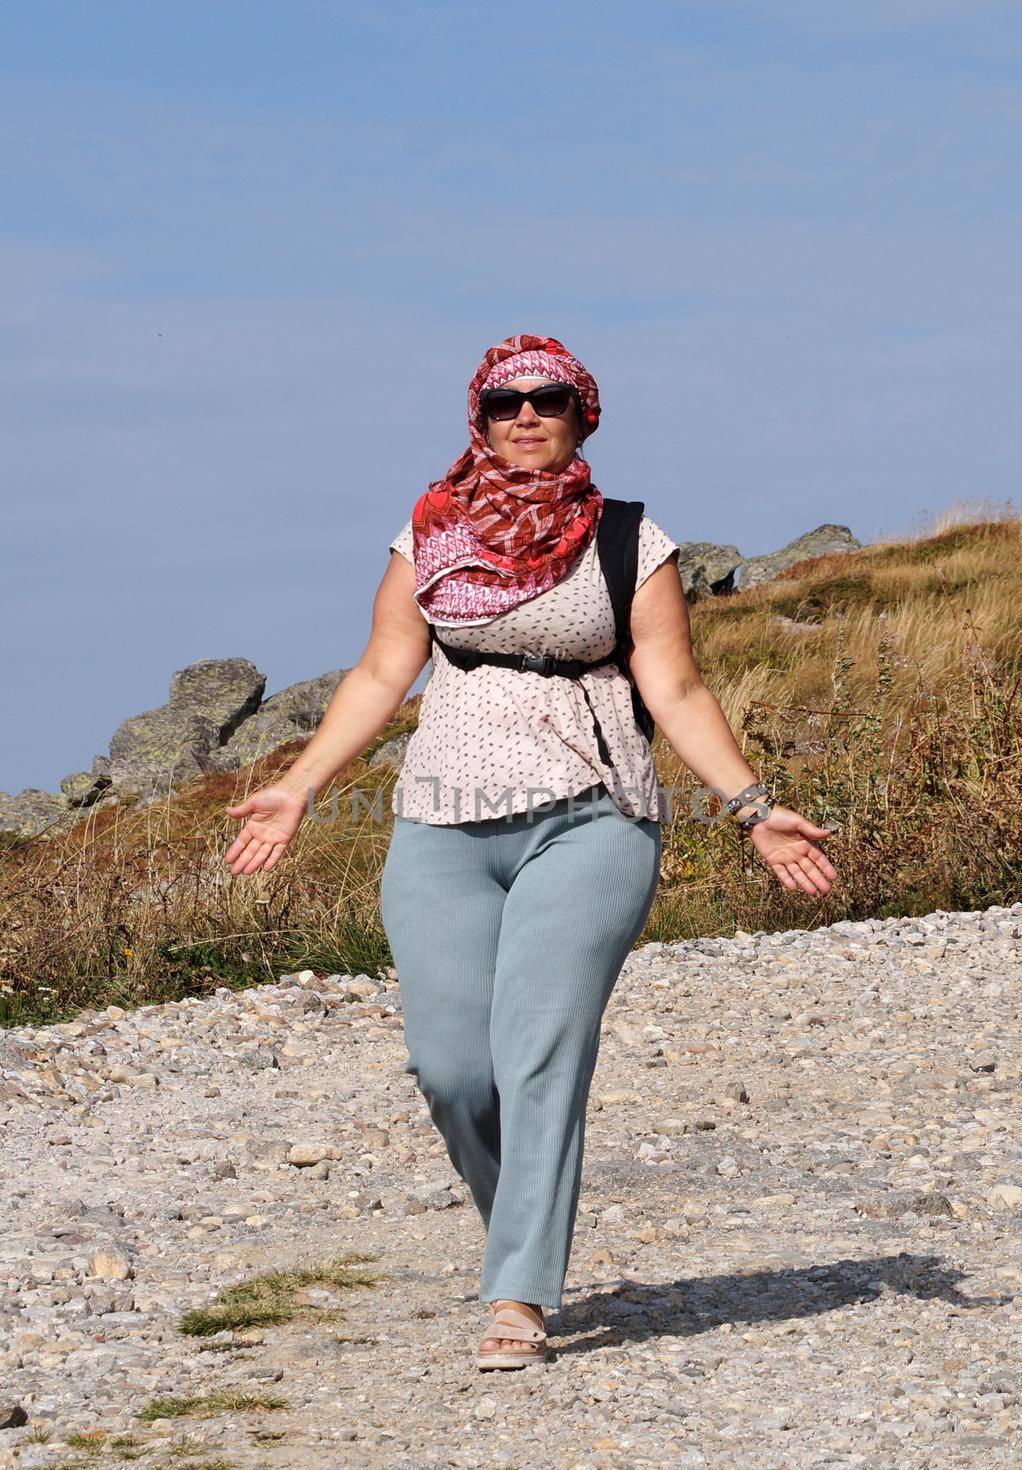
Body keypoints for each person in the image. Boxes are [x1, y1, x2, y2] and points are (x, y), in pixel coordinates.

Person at [224, 332, 837, 1372]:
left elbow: (674, 690)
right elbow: (382, 670)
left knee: (539, 1048)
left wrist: (750, 807)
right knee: (454, 1067)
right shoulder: (426, 531)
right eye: (502, 401)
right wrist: (296, 786)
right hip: (441, 817)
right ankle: (522, 1222)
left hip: (590, 815)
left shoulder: (631, 542)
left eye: (546, 398)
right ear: (477, 417)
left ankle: (517, 1290)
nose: (523, 414)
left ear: (579, 414)